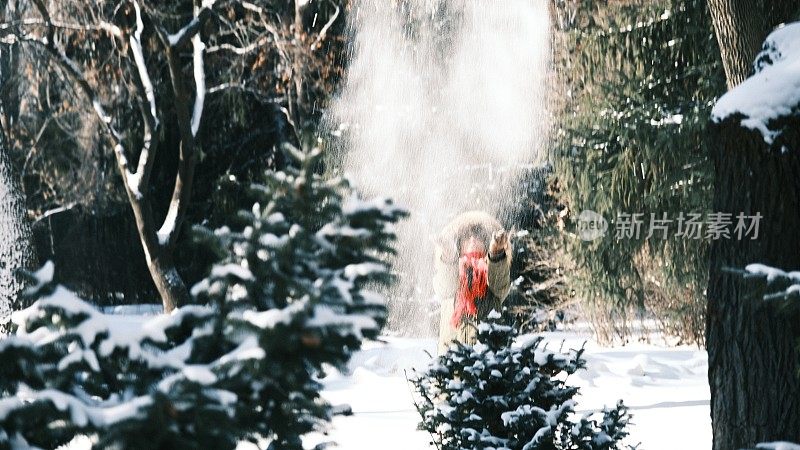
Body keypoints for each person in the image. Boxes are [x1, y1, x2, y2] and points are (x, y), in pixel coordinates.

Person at [434, 210, 512, 353]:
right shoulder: (451, 271)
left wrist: (496, 253)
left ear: (486, 242)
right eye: (467, 237)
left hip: (489, 361)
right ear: (459, 244)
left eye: (479, 237)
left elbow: (500, 284)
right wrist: (448, 255)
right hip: (452, 360)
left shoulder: (493, 272)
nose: (473, 240)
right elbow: (446, 286)